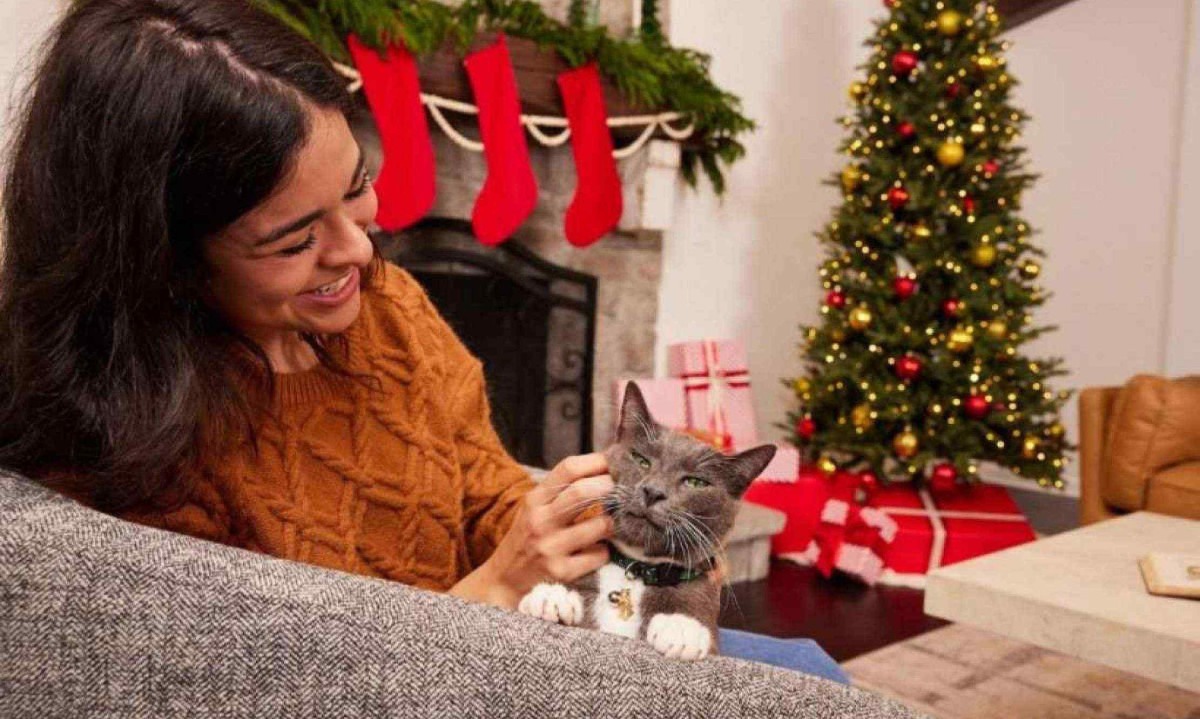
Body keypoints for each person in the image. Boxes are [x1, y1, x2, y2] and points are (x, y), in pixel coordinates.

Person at [0, 0, 843, 683]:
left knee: (812, 668)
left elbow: (481, 494)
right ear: (165, 263)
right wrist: (507, 580)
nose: (361, 250)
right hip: (438, 671)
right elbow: (293, 684)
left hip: (520, 635)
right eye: (295, 241)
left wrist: (603, 538)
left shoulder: (388, 307)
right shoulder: (127, 458)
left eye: (357, 188)